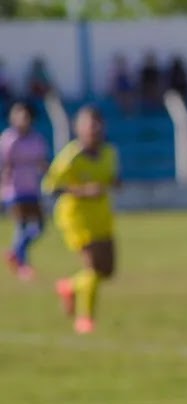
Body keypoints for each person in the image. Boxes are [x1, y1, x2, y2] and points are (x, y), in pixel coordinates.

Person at [42, 106, 120, 335]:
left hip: (101, 214)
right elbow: (50, 187)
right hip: (76, 216)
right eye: (89, 124)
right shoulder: (71, 156)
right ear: (78, 128)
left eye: (97, 123)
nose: (94, 129)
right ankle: (85, 319)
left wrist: (115, 183)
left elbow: (111, 178)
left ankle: (70, 286)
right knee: (93, 267)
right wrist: (83, 191)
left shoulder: (109, 152)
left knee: (107, 270)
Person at [1, 101, 49, 280]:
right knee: (21, 225)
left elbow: (42, 162)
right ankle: (23, 265)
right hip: (14, 189)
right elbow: (4, 165)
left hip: (32, 188)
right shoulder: (8, 139)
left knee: (39, 226)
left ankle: (15, 252)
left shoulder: (36, 139)